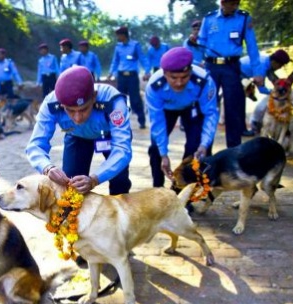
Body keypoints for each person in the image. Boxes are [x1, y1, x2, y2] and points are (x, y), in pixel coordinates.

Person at [26, 65, 132, 197]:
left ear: (94, 97)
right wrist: (47, 167)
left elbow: (122, 149)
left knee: (119, 183)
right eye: (69, 110)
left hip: (109, 137)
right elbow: (35, 145)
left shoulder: (113, 101)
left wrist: (94, 179)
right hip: (76, 136)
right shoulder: (50, 104)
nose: (77, 118)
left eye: (83, 109)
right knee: (71, 187)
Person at [146, 47, 219, 188]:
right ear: (165, 73)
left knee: (194, 148)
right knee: (155, 149)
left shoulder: (204, 81)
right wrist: (163, 154)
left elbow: (210, 113)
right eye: (173, 78)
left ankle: (184, 191)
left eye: (184, 77)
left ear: (190, 72)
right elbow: (157, 121)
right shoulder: (154, 86)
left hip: (192, 108)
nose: (179, 83)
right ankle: (158, 190)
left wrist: (204, 144)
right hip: (166, 110)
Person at [199, 0, 263, 146]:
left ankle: (234, 152)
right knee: (208, 107)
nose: (234, 7)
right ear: (222, 2)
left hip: (231, 67)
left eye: (236, 3)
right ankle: (205, 150)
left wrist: (257, 72)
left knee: (233, 110)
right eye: (231, 4)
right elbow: (200, 44)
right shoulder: (209, 19)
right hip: (211, 67)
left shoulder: (244, 18)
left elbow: (252, 46)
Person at [240, 49, 291, 136]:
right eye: (280, 66)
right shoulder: (262, 66)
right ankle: (244, 129)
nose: (279, 68)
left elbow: (274, 80)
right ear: (275, 62)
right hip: (237, 73)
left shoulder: (266, 63)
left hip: (242, 73)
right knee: (239, 103)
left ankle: (250, 92)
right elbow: (262, 89)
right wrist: (275, 93)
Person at [109, 26, 150, 129]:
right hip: (121, 76)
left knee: (135, 99)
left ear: (124, 35)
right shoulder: (118, 47)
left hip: (132, 76)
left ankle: (142, 121)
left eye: (119, 35)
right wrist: (111, 73)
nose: (117, 37)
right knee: (119, 99)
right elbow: (115, 61)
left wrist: (147, 71)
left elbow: (142, 58)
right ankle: (118, 121)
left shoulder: (135, 45)